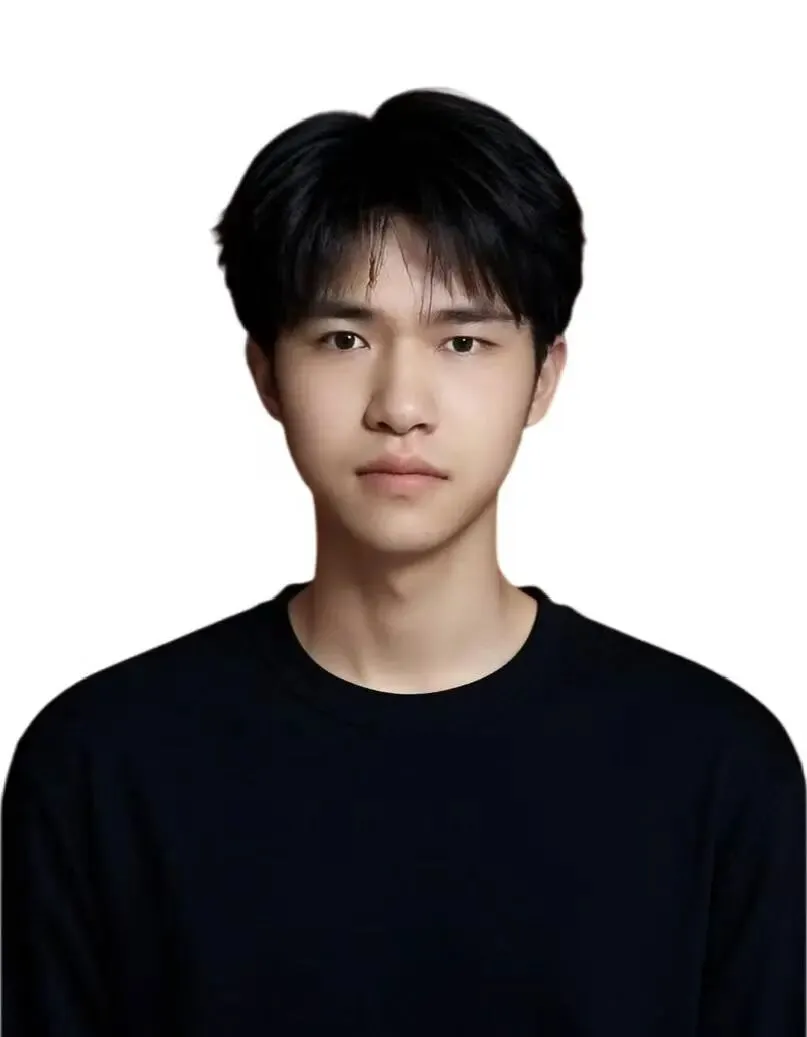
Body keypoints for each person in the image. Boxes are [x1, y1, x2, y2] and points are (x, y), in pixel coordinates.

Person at [2, 87, 804, 1036]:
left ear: (543, 376)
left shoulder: (715, 768)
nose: (400, 405)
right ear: (265, 371)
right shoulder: (100, 767)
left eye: (462, 340)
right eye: (343, 338)